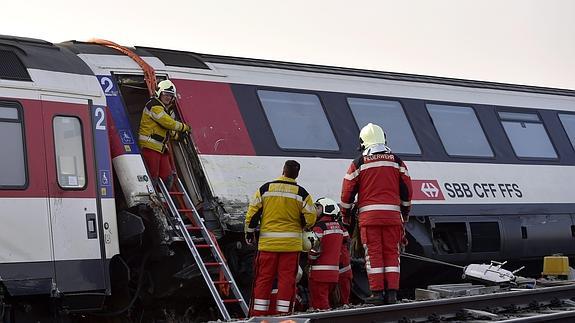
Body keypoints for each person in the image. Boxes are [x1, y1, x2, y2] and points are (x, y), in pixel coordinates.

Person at [340, 123, 412, 305]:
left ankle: (378, 293)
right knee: (392, 254)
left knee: (374, 255)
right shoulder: (397, 161)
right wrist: (405, 212)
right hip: (393, 218)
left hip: (369, 218)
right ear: (384, 140)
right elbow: (407, 191)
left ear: (363, 142)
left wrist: (345, 215)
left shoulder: (359, 163)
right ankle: (392, 294)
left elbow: (347, 193)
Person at [245, 160, 317, 316]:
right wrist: (302, 224)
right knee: (287, 280)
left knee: (263, 279)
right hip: (290, 246)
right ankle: (283, 315)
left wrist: (249, 233)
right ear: (297, 174)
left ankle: (258, 314)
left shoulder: (265, 189)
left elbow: (253, 213)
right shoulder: (301, 193)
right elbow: (311, 217)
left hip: (267, 245)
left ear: (283, 170)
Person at [138, 79, 190, 187]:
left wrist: (176, 136)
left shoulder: (162, 108)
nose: (168, 97)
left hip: (160, 148)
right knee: (153, 177)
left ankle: (164, 201)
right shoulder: (154, 105)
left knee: (167, 177)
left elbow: (166, 129)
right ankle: (154, 201)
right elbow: (167, 123)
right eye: (166, 94)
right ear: (159, 93)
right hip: (150, 146)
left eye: (171, 96)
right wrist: (184, 127)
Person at [307, 198, 344, 310]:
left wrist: (309, 259)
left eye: (318, 207)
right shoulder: (339, 227)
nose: (315, 210)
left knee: (320, 306)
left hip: (319, 273)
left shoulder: (319, 227)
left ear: (326, 209)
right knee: (328, 302)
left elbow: (315, 249)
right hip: (334, 273)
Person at [338, 219, 353, 306]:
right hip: (344, 262)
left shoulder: (319, 227)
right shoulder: (342, 228)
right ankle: (345, 303)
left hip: (340, 262)